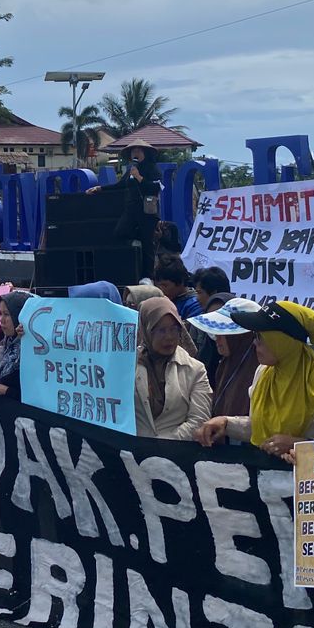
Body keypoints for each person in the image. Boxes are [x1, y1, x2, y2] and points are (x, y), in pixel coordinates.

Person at [195, 301, 314, 459]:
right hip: (265, 476)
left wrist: (299, 445)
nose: (255, 342)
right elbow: (259, 426)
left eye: (260, 336)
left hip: (305, 478)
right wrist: (225, 423)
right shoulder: (264, 372)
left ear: (282, 340)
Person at [133, 297, 212, 440]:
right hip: (132, 455)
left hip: (175, 455)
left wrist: (163, 445)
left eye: (174, 329)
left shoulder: (195, 370)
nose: (169, 337)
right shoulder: (128, 365)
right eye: (161, 330)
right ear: (146, 330)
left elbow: (199, 421)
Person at [188, 296, 262, 419]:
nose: (217, 338)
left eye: (224, 334)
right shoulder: (225, 364)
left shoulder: (259, 371)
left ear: (241, 337)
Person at [95, 145, 162, 280]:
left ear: (145, 153)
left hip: (147, 211)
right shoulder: (131, 169)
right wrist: (100, 188)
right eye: (133, 151)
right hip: (132, 210)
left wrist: (139, 177)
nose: (135, 153)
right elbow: (120, 185)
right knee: (120, 232)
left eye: (138, 151)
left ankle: (148, 277)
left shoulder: (152, 168)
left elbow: (155, 187)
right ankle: (138, 239)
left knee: (148, 246)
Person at [0, 291, 30, 398]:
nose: (1, 320)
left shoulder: (33, 351)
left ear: (19, 316)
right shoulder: (4, 344)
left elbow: (38, 396)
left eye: (7, 314)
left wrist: (6, 391)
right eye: (0, 313)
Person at [152, 255, 202, 320]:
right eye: (158, 286)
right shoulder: (158, 299)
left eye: (165, 285)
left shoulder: (195, 305)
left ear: (181, 282)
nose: (160, 290)